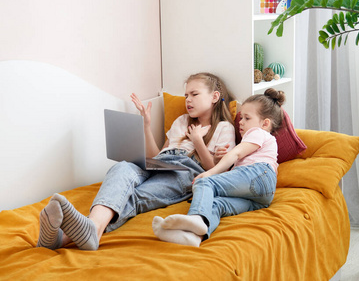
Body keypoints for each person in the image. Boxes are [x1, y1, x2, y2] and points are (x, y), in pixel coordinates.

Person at [36, 72, 236, 251]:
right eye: (186, 96)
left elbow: (216, 171)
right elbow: (157, 153)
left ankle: (67, 237)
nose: (188, 100)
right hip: (161, 162)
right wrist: (146, 126)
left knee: (136, 195)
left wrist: (198, 142)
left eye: (194, 94)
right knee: (121, 168)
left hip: (186, 172)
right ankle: (89, 231)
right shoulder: (181, 121)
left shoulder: (224, 128)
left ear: (214, 97)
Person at [152, 88, 285, 247]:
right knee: (217, 204)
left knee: (205, 182)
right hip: (262, 195)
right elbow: (237, 174)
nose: (240, 122)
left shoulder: (258, 132)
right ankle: (195, 236)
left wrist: (210, 172)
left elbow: (235, 154)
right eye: (241, 117)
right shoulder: (263, 141)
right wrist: (216, 160)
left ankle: (196, 217)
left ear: (265, 123)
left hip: (258, 174)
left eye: (247, 118)